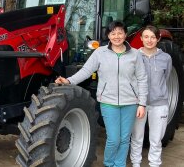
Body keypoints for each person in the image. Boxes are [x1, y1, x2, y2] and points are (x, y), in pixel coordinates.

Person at [55, 21, 148, 167]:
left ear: (125, 34)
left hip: (130, 102)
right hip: (108, 101)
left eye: (120, 33)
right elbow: (86, 71)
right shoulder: (100, 53)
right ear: (108, 35)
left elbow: (142, 79)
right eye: (113, 33)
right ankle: (109, 163)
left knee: (125, 138)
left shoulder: (135, 54)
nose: (117, 36)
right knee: (113, 138)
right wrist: (69, 81)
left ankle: (120, 164)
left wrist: (142, 103)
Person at [130, 25, 172, 167]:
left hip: (159, 104)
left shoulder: (166, 58)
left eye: (153, 37)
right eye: (146, 37)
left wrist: (157, 92)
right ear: (141, 38)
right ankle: (136, 163)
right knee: (136, 138)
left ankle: (154, 164)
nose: (149, 40)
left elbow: (165, 79)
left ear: (158, 39)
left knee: (156, 140)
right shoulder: (134, 56)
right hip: (138, 104)